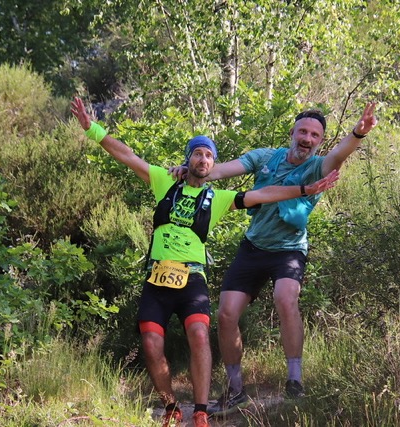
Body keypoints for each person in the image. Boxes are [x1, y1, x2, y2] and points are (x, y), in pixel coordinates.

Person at [70, 97, 340, 427]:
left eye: (209, 155)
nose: (203, 158)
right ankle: (170, 406)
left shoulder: (219, 197)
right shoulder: (164, 181)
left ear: (213, 164)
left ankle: (200, 410)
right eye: (197, 153)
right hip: (157, 278)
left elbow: (264, 195)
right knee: (151, 343)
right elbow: (128, 156)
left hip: (193, 279)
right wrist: (93, 130)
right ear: (188, 159)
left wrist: (304, 189)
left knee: (199, 335)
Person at [172, 103, 377, 416]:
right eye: (303, 131)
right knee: (226, 314)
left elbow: (340, 155)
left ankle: (295, 382)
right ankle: (235, 390)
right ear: (292, 133)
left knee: (286, 298)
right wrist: (190, 169)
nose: (307, 138)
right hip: (253, 246)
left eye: (315, 135)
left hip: (289, 250)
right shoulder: (265, 157)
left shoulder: (318, 166)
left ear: (320, 141)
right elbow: (221, 170)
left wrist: (358, 133)